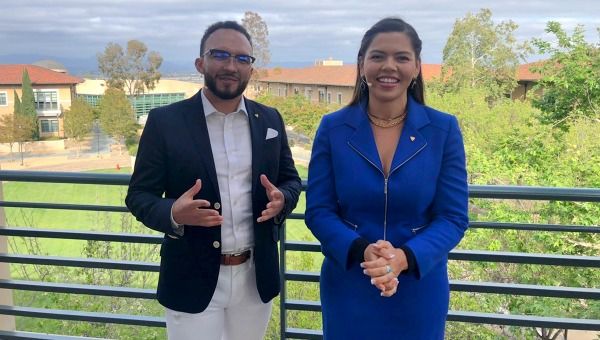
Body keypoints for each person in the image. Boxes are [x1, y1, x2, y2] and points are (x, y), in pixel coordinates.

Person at [125, 20, 301, 340]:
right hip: (191, 276)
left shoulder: (270, 119)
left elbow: (290, 180)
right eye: (220, 55)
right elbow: (139, 195)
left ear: (250, 68)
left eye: (242, 58)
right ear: (200, 63)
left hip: (254, 276)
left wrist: (283, 199)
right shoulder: (165, 122)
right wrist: (173, 213)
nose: (231, 66)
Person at [304, 17, 469, 339]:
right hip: (350, 279)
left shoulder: (443, 129)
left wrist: (403, 259)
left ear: (417, 66)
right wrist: (365, 253)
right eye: (378, 56)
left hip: (419, 284)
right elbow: (319, 212)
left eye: (401, 57)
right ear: (362, 64)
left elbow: (452, 217)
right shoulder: (332, 128)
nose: (388, 66)